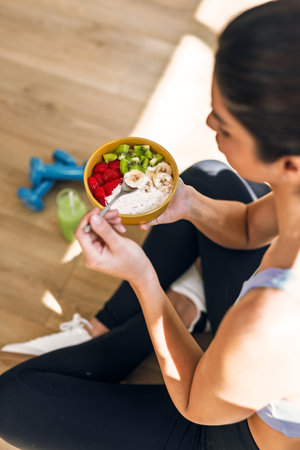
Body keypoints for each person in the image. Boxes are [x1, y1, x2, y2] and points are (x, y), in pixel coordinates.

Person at [1, 1, 300, 448]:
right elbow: (247, 229)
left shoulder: (272, 317)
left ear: (289, 163)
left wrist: (142, 278)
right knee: (204, 179)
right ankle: (173, 313)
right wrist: (190, 204)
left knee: (11, 400)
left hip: (230, 432)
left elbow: (197, 403)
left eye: (224, 127)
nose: (208, 124)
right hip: (251, 359)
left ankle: (161, 315)